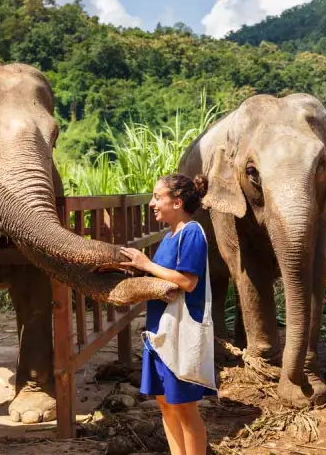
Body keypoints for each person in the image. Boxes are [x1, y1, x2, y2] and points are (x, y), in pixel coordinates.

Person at [120, 173, 216, 455]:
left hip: (180, 333)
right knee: (165, 404)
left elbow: (187, 281)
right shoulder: (169, 236)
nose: (152, 203)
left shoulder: (192, 233)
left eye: (157, 197)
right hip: (159, 332)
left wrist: (146, 264)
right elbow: (162, 277)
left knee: (185, 408)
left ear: (177, 201)